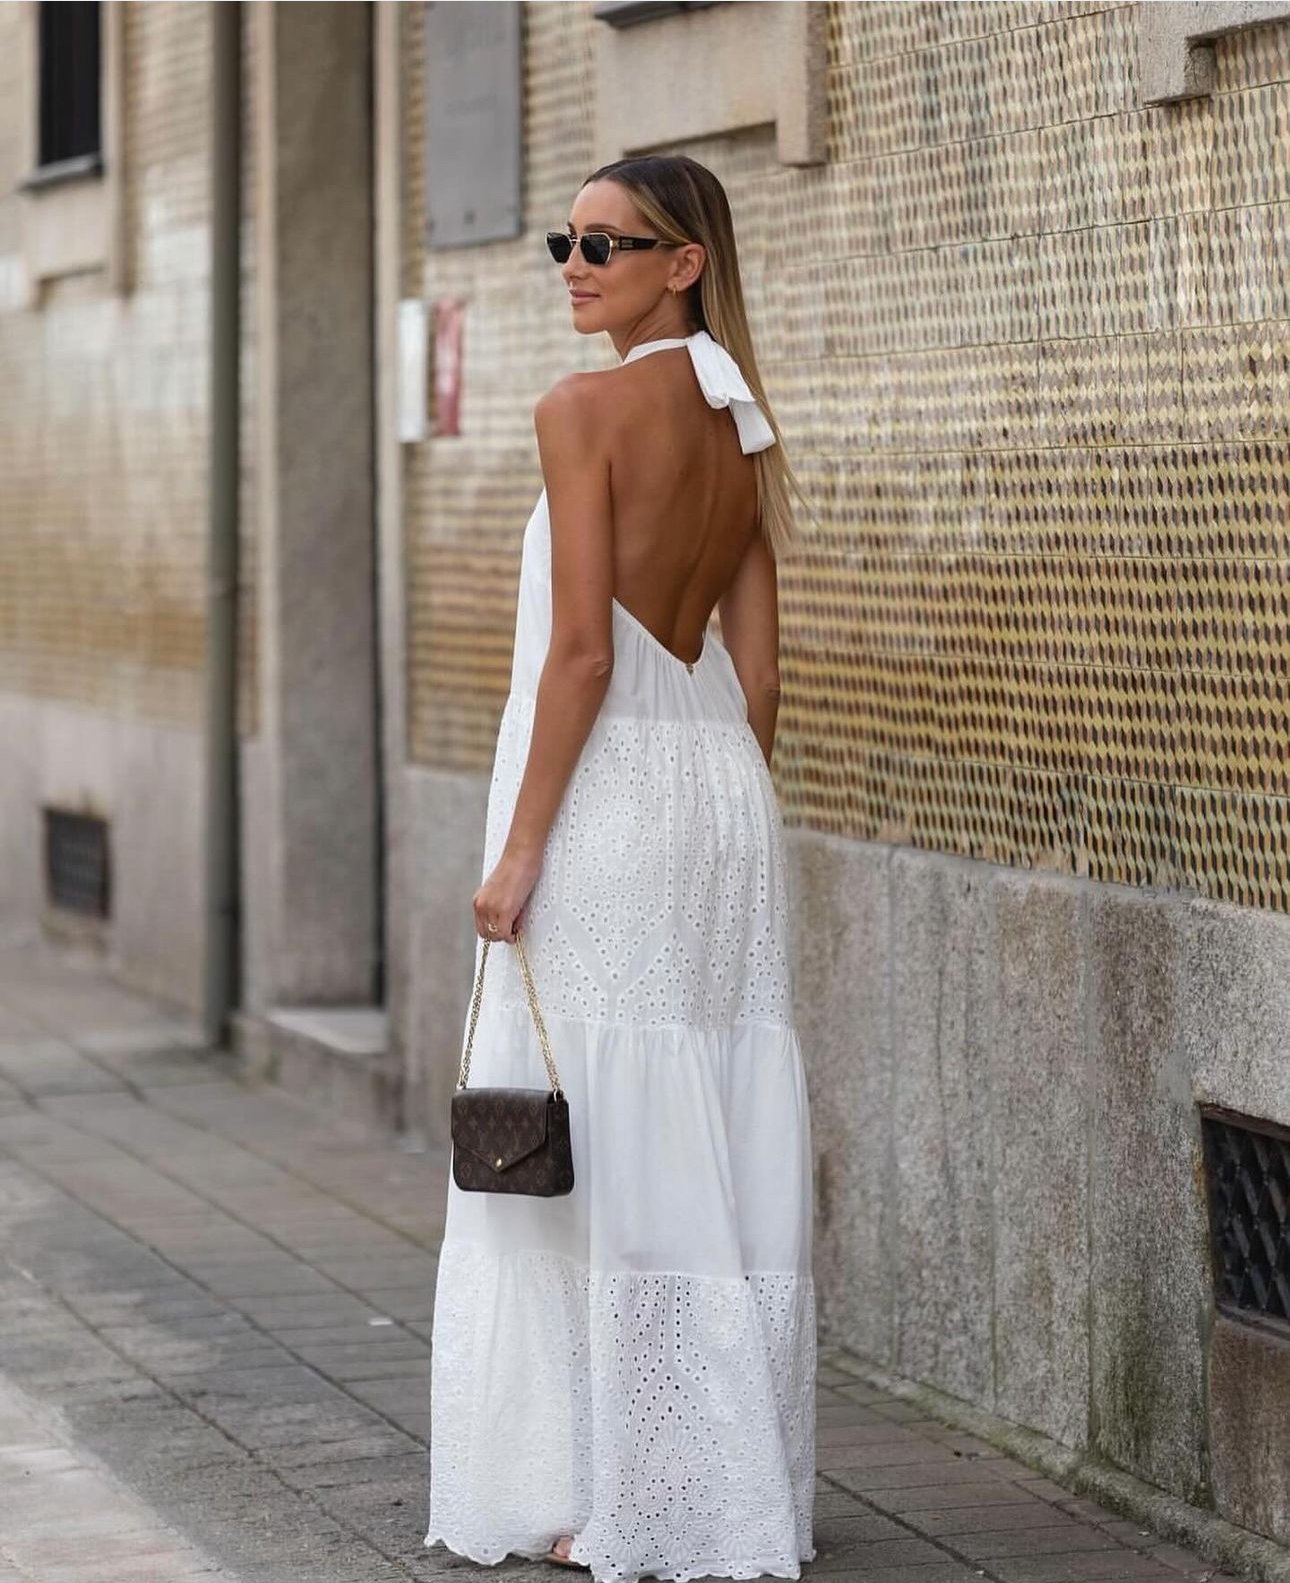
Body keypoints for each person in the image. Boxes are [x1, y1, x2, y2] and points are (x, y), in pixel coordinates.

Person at [424, 152, 816, 1583]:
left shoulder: (580, 410)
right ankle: (697, 1480)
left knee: (607, 1121)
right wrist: (723, 807)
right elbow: (759, 672)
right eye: (564, 241)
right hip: (714, 794)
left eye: (607, 244)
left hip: (605, 795)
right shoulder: (739, 415)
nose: (574, 266)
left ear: (682, 262)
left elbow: (581, 653)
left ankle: (637, 1500)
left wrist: (520, 847)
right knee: (695, 1108)